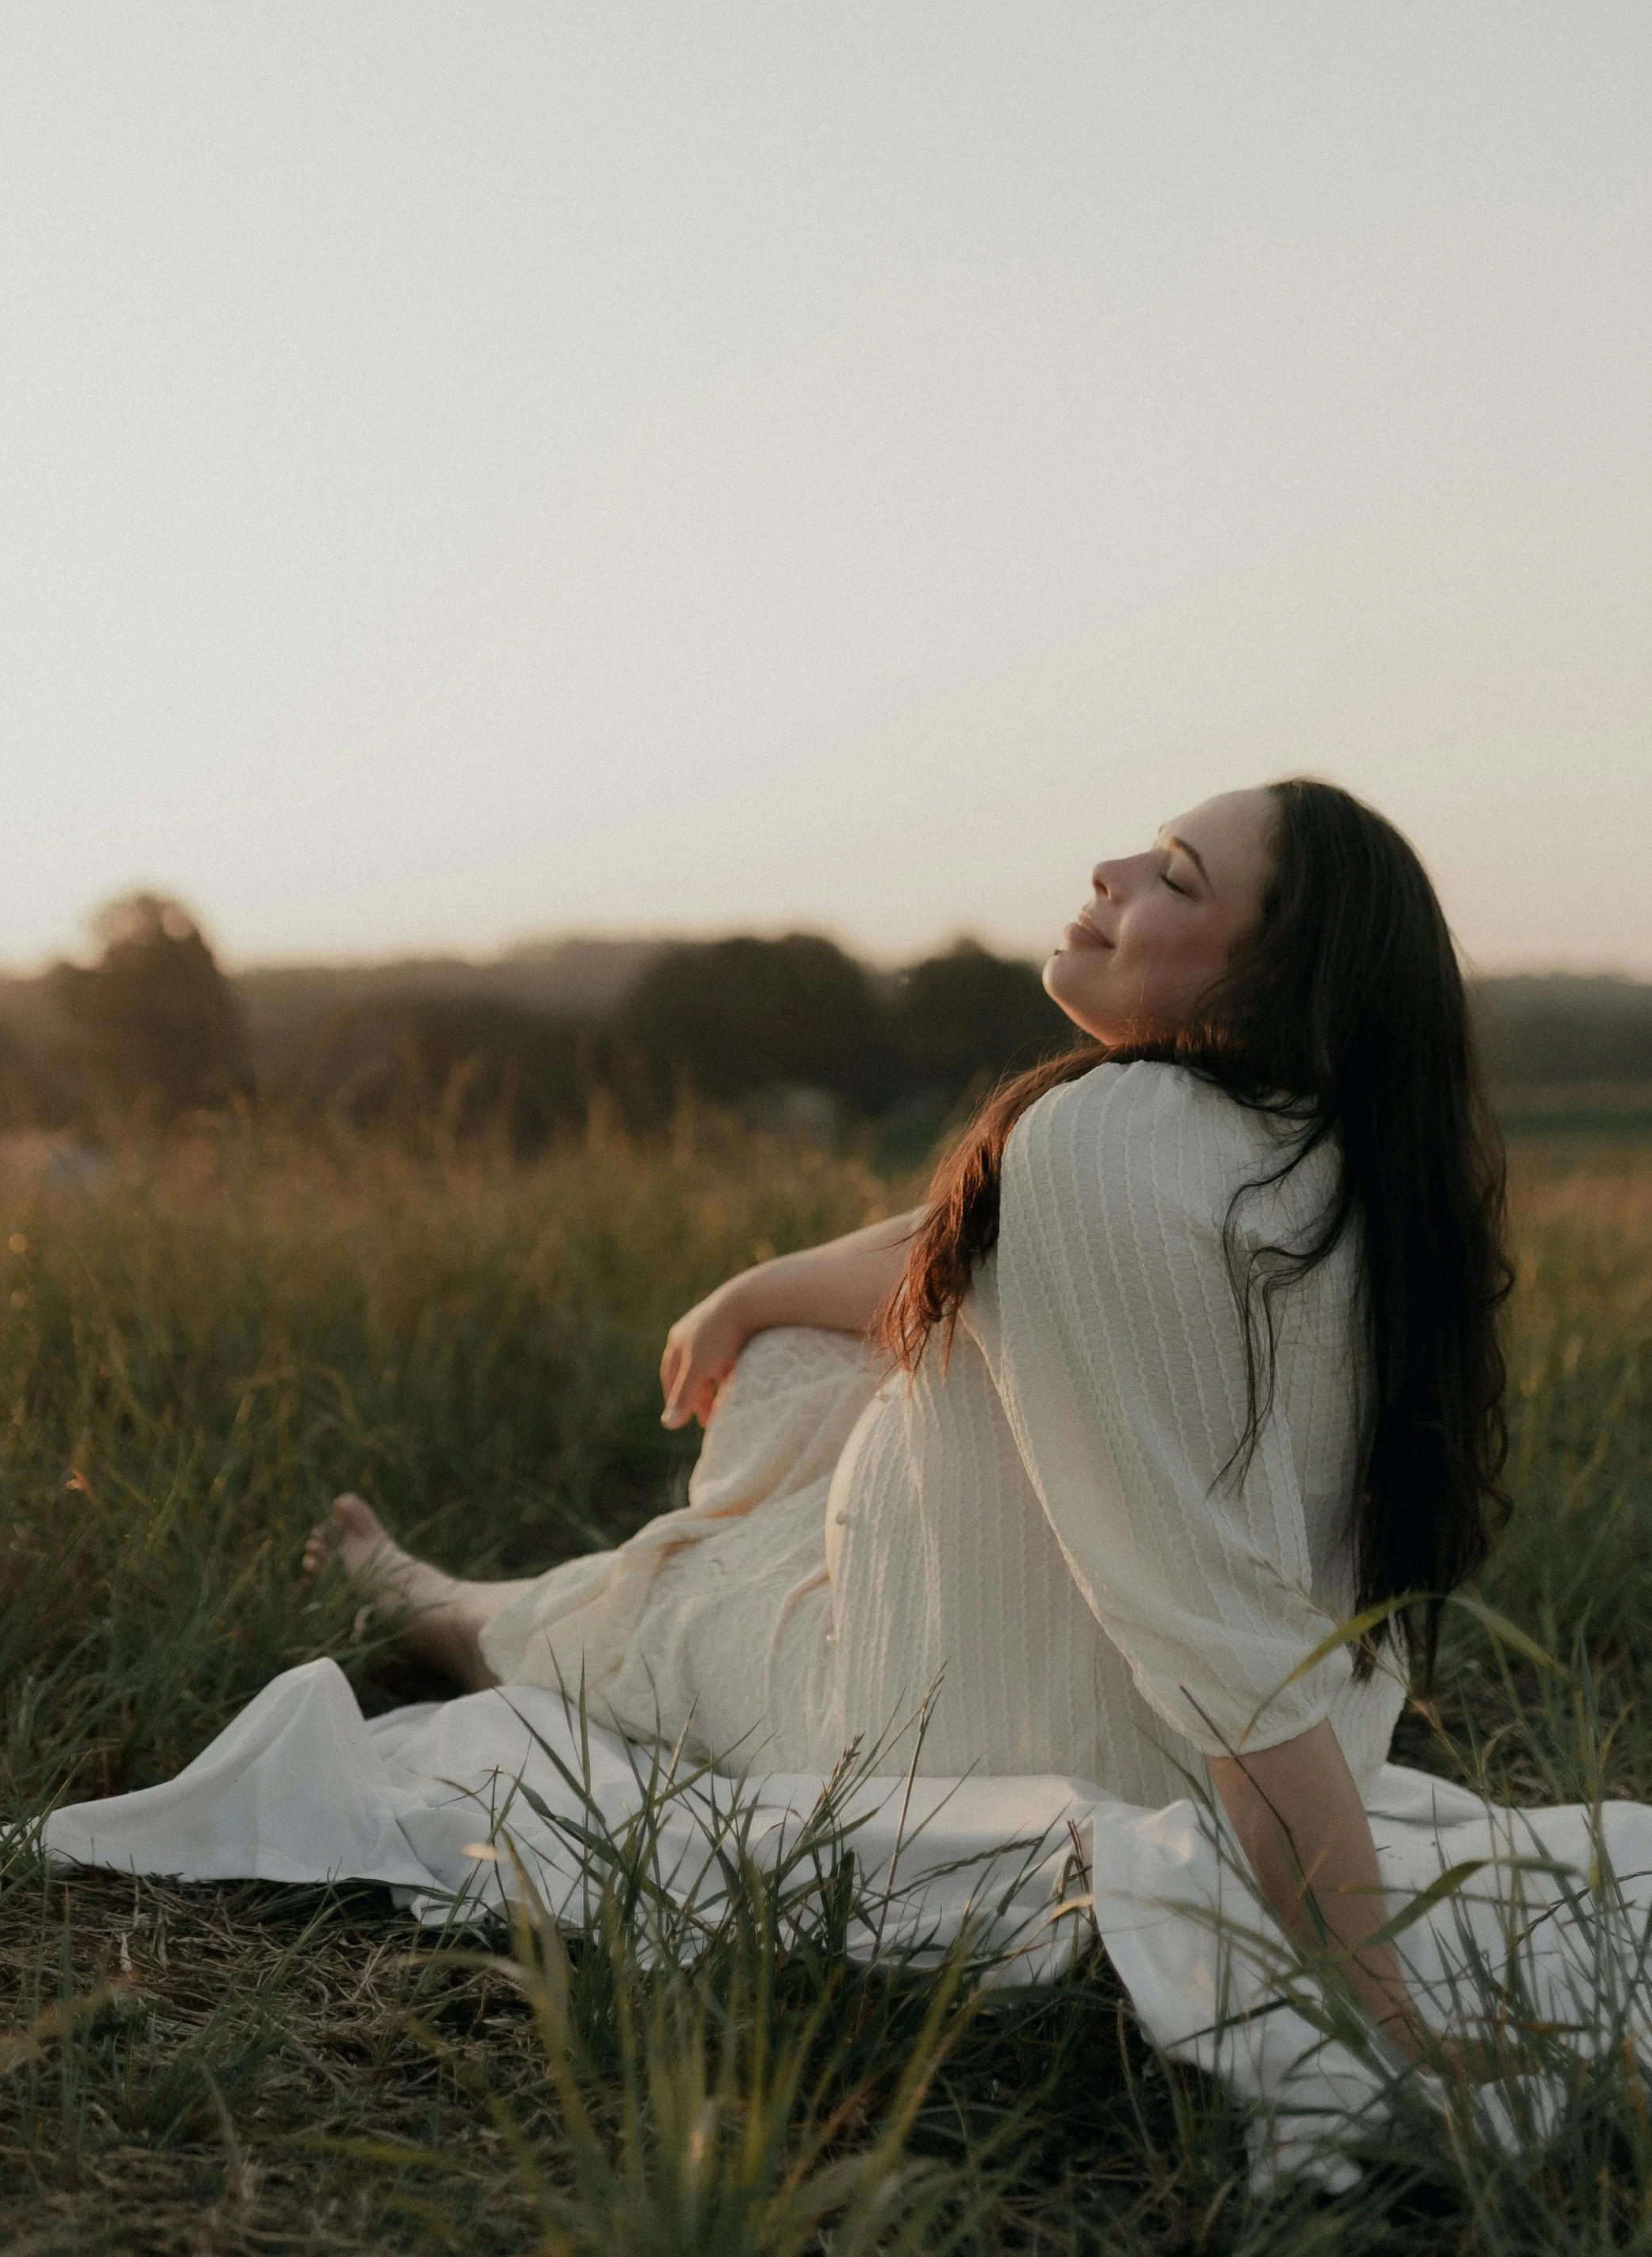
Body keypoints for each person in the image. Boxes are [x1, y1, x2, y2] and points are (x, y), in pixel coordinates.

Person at [305, 779, 1512, 2057]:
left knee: (653, 1610)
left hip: (980, 1747)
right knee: (803, 1364)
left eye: (1173, 875)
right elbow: (970, 1254)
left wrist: (1386, 2012)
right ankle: (635, 1582)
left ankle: (426, 1603)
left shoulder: (1106, 1139)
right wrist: (753, 1289)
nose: (1109, 871)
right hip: (1164, 1725)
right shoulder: (1334, 1157)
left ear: (1277, 981)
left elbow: (1225, 1633)